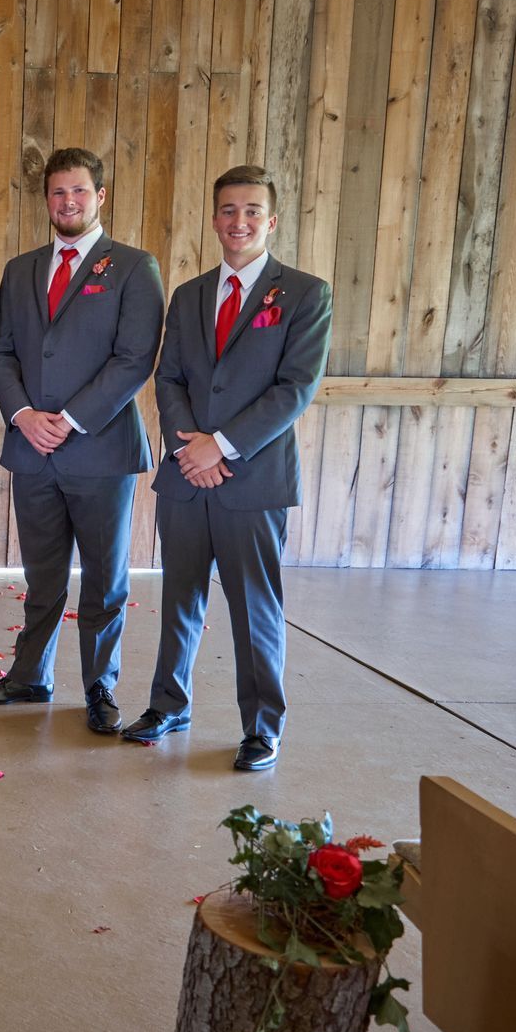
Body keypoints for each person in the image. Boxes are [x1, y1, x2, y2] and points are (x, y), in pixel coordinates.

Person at [122, 165, 332, 772]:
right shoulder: (189, 295)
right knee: (180, 598)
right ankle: (169, 704)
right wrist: (192, 450)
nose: (238, 221)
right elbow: (171, 377)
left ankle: (262, 729)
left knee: (253, 608)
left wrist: (223, 446)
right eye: (228, 210)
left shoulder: (305, 294)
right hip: (187, 478)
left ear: (271, 219)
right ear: (215, 218)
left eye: (251, 211)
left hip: (253, 481)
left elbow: (294, 388)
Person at [0, 147, 163, 734]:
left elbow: (134, 360)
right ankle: (30, 675)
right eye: (57, 193)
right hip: (33, 448)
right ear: (46, 199)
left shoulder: (133, 266)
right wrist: (23, 414)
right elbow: (2, 353)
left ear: (100, 196)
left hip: (100, 449)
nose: (68, 202)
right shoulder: (21, 269)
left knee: (105, 578)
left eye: (79, 191)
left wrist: (71, 419)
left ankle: (100, 687)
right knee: (42, 574)